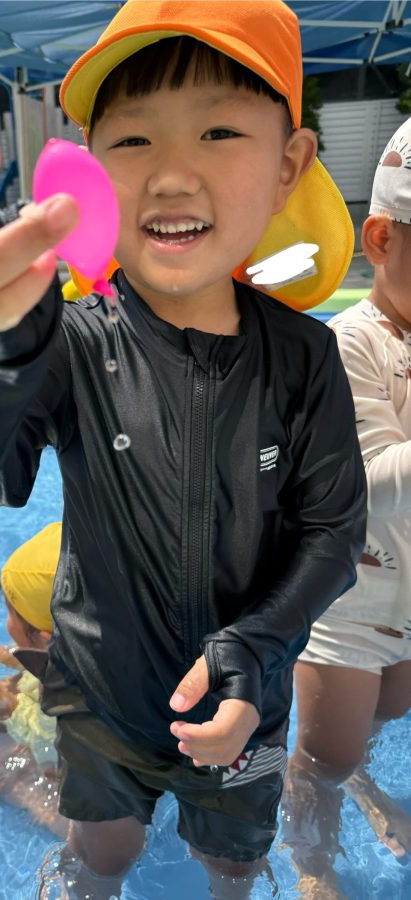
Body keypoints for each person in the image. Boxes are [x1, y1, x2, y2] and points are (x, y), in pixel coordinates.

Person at [0, 1, 367, 896]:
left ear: (288, 165)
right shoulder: (68, 343)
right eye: (132, 141)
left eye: (218, 131)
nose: (171, 175)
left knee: (233, 859)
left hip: (246, 698)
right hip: (97, 698)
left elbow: (332, 531)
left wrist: (256, 647)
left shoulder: (303, 356)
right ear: (92, 172)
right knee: (102, 852)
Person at [283, 117, 411, 899]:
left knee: (383, 715)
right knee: (322, 755)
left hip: (408, 596)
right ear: (381, 238)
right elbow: (368, 482)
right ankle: (312, 865)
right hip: (348, 603)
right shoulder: (346, 346)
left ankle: (360, 781)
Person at [0, 521, 67, 839]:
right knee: (4, 695)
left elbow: (45, 744)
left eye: (11, 614)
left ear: (45, 638)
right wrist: (8, 656)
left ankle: (52, 816)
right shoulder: (94, 649)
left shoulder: (60, 689)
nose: (6, 621)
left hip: (64, 765)